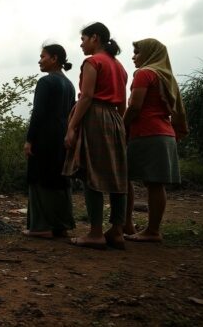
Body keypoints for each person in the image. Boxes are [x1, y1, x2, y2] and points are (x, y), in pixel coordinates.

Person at [64, 22, 129, 250]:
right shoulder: (119, 66)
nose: (81, 44)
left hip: (95, 117)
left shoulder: (92, 62)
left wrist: (72, 126)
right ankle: (117, 231)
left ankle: (95, 233)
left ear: (95, 38)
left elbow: (87, 96)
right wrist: (120, 125)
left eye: (83, 39)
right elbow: (123, 102)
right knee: (116, 175)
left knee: (91, 173)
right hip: (114, 119)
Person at [123, 38, 188, 242]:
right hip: (164, 133)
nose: (133, 57)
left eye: (137, 52)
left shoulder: (144, 73)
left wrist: (121, 127)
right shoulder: (165, 76)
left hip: (147, 134)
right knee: (155, 184)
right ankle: (152, 229)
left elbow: (135, 106)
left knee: (126, 178)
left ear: (150, 53)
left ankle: (142, 228)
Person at [23, 44, 76, 238]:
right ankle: (60, 225)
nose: (39, 60)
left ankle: (41, 227)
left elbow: (38, 112)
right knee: (59, 179)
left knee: (39, 179)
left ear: (54, 58)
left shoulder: (46, 82)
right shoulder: (69, 85)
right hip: (62, 138)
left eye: (42, 56)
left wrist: (29, 140)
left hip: (44, 138)